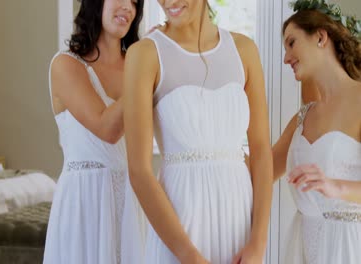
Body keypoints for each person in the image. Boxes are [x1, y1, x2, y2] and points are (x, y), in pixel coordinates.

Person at [123, 0, 273, 263]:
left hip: (239, 224)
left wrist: (258, 243)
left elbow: (261, 150)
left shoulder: (244, 50)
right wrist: (189, 255)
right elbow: (139, 171)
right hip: (181, 227)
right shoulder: (145, 54)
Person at [43, 0, 144, 263]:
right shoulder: (66, 65)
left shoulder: (138, 64)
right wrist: (143, 72)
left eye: (134, 1)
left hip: (132, 200)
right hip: (83, 201)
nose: (128, 7)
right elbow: (106, 128)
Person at [271, 0, 361, 263]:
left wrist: (335, 186)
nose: (286, 57)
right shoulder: (302, 117)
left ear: (321, 37)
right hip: (304, 248)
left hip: (349, 248)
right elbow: (259, 171)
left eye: (291, 43)